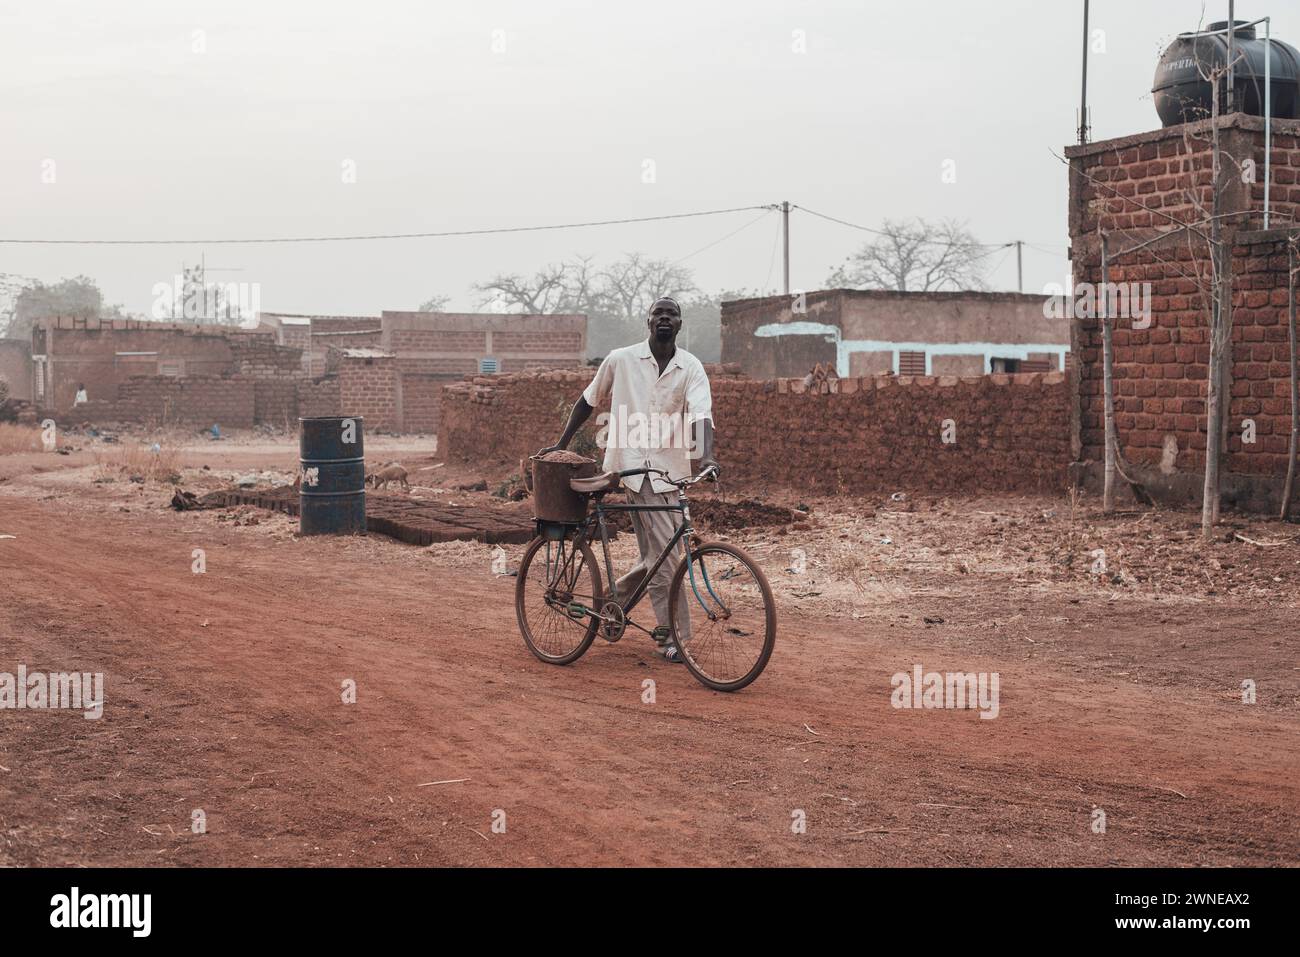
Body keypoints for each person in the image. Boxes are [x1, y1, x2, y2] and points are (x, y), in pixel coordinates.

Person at [539, 297, 718, 662]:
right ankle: (675, 638)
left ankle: (611, 603)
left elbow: (702, 415)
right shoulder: (621, 359)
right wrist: (561, 443)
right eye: (658, 314)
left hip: (672, 472)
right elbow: (589, 400)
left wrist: (707, 456)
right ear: (648, 321)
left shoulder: (691, 367)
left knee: (661, 554)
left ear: (680, 324)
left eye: (672, 315)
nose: (664, 319)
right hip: (634, 470)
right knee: (667, 561)